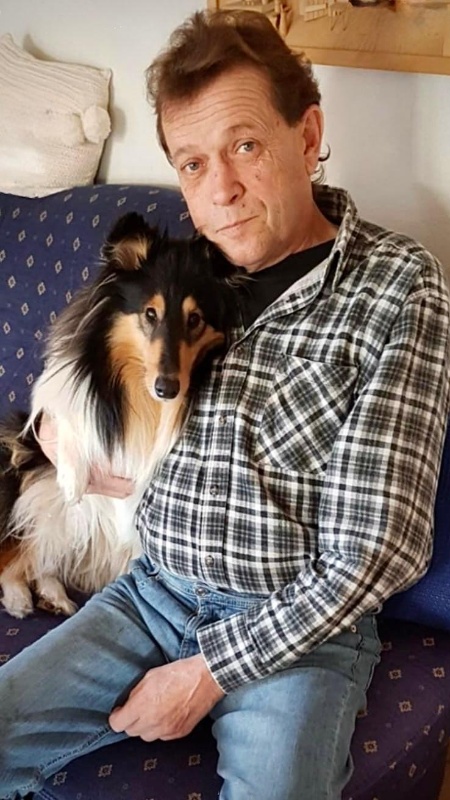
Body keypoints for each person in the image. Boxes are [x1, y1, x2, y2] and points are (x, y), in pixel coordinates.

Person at [1, 9, 449, 800]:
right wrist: (62, 437)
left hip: (298, 632)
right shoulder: (185, 269)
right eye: (193, 163)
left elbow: (379, 550)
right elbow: (97, 378)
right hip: (150, 591)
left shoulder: (397, 286)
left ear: (307, 136)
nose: (222, 191)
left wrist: (207, 674)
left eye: (245, 146)